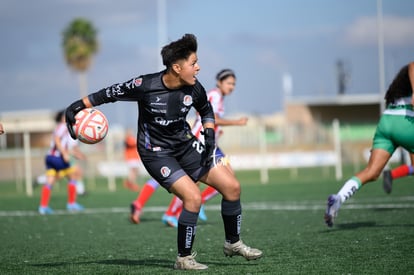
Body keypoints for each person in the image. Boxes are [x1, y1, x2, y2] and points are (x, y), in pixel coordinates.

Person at [65, 34, 262, 270]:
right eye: (193, 63)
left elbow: (206, 110)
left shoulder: (194, 87)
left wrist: (209, 132)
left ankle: (233, 243)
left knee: (232, 188)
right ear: (177, 68)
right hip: (156, 153)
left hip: (186, 145)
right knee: (193, 197)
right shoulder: (145, 85)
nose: (198, 67)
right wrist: (77, 105)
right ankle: (184, 258)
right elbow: (110, 93)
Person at [325, 61, 414, 227]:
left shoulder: (400, 85)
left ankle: (338, 198)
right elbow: (412, 65)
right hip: (405, 121)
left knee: (372, 172)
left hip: (387, 121)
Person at [161, 69, 249, 227]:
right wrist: (237, 122)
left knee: (227, 179)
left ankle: (192, 205)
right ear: (219, 82)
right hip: (200, 142)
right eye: (229, 83)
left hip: (213, 145)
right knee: (195, 181)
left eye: (234, 84)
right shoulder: (214, 95)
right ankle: (170, 213)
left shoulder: (219, 97)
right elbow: (212, 118)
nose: (232, 87)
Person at [38, 110, 85, 214]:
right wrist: (64, 153)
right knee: (74, 174)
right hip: (57, 158)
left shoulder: (65, 128)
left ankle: (43, 207)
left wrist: (76, 154)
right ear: (62, 118)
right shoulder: (63, 126)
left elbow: (69, 145)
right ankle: (71, 204)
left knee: (50, 181)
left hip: (50, 157)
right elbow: (57, 139)